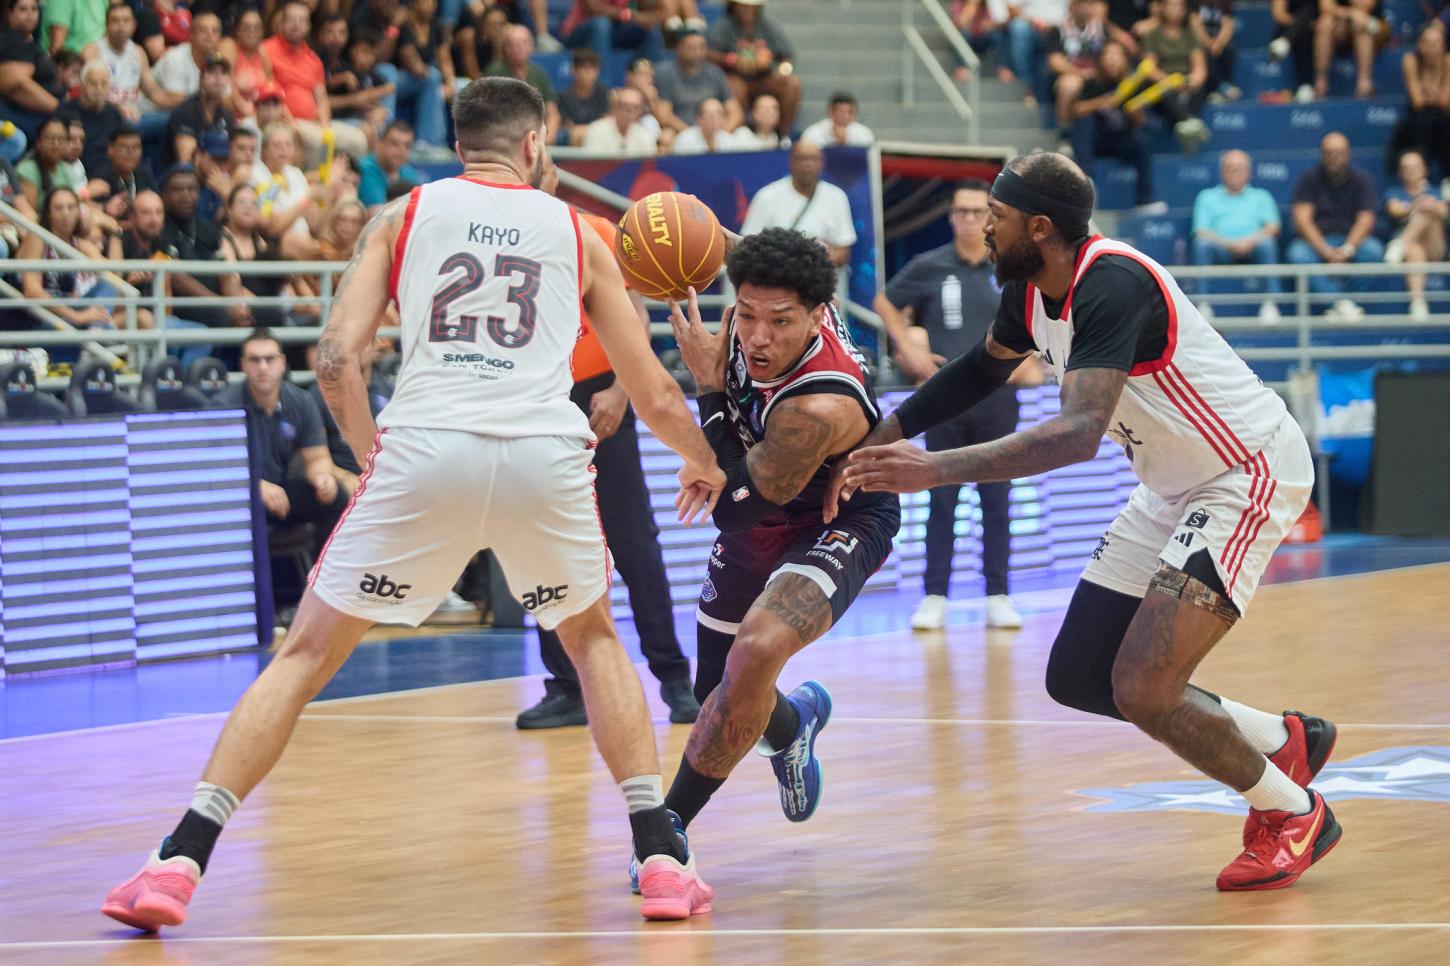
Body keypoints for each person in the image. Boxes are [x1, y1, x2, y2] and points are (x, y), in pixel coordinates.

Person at [102, 76, 723, 932]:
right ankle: (661, 860)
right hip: (543, 451)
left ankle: (178, 859)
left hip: (427, 443)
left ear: (458, 144)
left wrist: (370, 450)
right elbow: (650, 393)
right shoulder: (582, 232)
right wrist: (706, 461)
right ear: (535, 146)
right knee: (590, 638)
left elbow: (331, 359)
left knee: (305, 656)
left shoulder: (400, 217)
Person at [837, 152, 1343, 894]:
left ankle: (1293, 811)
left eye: (997, 217)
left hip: (1244, 473)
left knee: (1144, 686)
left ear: (1039, 228)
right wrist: (887, 431)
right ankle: (1281, 738)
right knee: (1079, 675)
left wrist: (934, 468)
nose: (983, 226)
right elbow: (979, 371)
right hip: (1172, 484)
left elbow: (1075, 435)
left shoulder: (1111, 283)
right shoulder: (1027, 289)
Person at [655, 229, 900, 875]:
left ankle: (665, 832)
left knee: (757, 651)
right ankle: (793, 727)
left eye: (780, 322)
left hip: (833, 518)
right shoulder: (761, 305)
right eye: (749, 315)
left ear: (818, 316)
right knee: (718, 692)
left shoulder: (819, 402)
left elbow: (736, 507)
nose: (757, 336)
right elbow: (739, 245)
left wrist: (708, 391)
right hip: (758, 504)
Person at [518, 162, 702, 730]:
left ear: (549, 177)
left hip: (601, 398)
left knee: (634, 545)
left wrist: (623, 389)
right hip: (533, 402)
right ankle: (566, 687)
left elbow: (636, 312)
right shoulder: (503, 242)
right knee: (542, 549)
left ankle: (674, 680)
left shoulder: (593, 230)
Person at [874, 180, 1026, 631]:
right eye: (961, 211)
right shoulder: (932, 265)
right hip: (945, 401)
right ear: (951, 217)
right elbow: (884, 301)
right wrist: (910, 350)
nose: (970, 220)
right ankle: (934, 595)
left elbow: (1045, 310)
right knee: (941, 500)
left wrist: (1035, 356)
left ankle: (998, 594)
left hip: (999, 399)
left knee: (996, 500)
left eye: (979, 211)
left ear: (991, 217)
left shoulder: (1010, 266)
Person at [740, 139, 856, 306]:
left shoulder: (836, 197)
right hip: (775, 293)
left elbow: (844, 250)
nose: (807, 164)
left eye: (813, 159)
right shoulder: (767, 197)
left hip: (819, 294)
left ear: (822, 163)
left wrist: (807, 264)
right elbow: (748, 246)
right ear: (791, 162)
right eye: (802, 158)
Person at [1286, 131, 1384, 322]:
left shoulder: (1361, 180)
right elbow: (1302, 219)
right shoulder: (1309, 179)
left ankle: (1344, 303)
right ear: (1322, 154)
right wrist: (1325, 251)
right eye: (1328, 152)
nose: (1333, 157)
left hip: (1351, 239)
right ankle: (1341, 304)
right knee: (1297, 254)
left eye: (1338, 152)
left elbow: (1366, 219)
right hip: (1318, 241)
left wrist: (1347, 249)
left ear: (1347, 154)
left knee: (1374, 251)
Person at [261, 1, 368, 163]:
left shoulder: (313, 59)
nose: (296, 25)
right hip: (284, 121)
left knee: (359, 141)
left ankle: (345, 182)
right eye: (291, 20)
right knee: (317, 142)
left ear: (309, 25)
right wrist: (290, 121)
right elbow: (270, 91)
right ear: (281, 23)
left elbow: (322, 98)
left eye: (301, 20)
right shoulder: (267, 50)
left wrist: (325, 125)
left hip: (314, 123)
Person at [117, 188, 214, 365]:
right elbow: (109, 302)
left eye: (158, 212)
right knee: (149, 323)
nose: (153, 219)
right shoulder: (121, 243)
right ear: (132, 217)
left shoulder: (162, 245)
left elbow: (167, 292)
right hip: (126, 316)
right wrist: (129, 283)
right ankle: (157, 383)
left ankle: (181, 386)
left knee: (203, 335)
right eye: (146, 213)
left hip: (160, 318)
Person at [1191, 149, 1282, 323]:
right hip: (1220, 246)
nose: (1235, 172)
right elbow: (1200, 230)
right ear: (1222, 172)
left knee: (1268, 243)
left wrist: (1248, 242)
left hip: (1253, 245)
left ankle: (1271, 303)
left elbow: (1273, 227)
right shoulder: (1207, 197)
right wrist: (1227, 243)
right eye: (1230, 168)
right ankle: (1202, 304)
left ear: (1248, 172)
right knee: (1202, 244)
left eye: (1239, 168)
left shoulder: (1261, 196)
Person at [707, 0, 801, 132]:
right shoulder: (722, 26)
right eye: (744, 6)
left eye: (752, 6)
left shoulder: (768, 26)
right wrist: (732, 60)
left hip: (763, 77)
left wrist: (779, 68)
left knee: (792, 84)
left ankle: (782, 133)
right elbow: (709, 54)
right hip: (735, 76)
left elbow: (787, 57)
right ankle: (740, 132)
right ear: (734, 6)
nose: (748, 10)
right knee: (734, 87)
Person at [1383, 151, 1446, 323]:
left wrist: (1426, 205)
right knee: (1414, 249)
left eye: (1416, 167)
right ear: (1401, 172)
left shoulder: (1435, 191)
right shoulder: (1394, 192)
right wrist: (1416, 205)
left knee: (1429, 211)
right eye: (1406, 168)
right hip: (1413, 251)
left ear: (1424, 169)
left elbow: (1443, 211)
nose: (1411, 171)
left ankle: (1399, 243)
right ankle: (1418, 302)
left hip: (1434, 246)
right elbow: (1394, 210)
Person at [1140, 0, 1210, 151]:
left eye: (1179, 6)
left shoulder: (1190, 34)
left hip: (1186, 77)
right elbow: (1149, 68)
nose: (1174, 10)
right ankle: (1188, 121)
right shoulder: (1153, 34)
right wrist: (1170, 81)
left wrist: (1193, 81)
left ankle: (1186, 124)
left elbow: (1200, 67)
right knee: (1165, 91)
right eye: (1171, 5)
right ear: (1162, 8)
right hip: (1163, 79)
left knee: (1199, 88)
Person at [1386, 22, 1449, 178]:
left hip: (1444, 118)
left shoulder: (1449, 62)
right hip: (1417, 118)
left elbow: (1445, 101)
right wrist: (1434, 96)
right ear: (1419, 44)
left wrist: (1429, 95)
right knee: (1423, 121)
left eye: (1437, 43)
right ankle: (1419, 175)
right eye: (1428, 43)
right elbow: (1417, 101)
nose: (1432, 48)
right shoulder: (1410, 60)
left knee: (1442, 122)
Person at [655, 28, 741, 140]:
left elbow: (735, 112)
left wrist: (723, 134)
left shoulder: (715, 73)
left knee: (743, 135)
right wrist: (692, 135)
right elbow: (664, 115)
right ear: (679, 48)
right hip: (681, 132)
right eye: (691, 47)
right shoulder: (666, 74)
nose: (697, 51)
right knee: (666, 137)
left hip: (715, 133)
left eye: (702, 47)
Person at [0, 0, 66, 140]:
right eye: (23, 9)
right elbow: (16, 86)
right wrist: (59, 109)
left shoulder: (30, 42)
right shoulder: (11, 42)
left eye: (34, 9)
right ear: (10, 13)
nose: (30, 14)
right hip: (23, 118)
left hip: (42, 115)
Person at [485, 25, 561, 140]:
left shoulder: (539, 74)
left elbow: (552, 111)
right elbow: (491, 114)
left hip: (536, 135)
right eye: (512, 44)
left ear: (531, 46)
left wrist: (548, 136)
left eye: (523, 43)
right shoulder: (495, 72)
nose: (518, 48)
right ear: (505, 48)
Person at [164, 53, 234, 168]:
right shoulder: (185, 111)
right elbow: (186, 162)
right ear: (201, 79)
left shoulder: (226, 115)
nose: (218, 78)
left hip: (216, 175)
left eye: (223, 73)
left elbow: (233, 155)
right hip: (181, 179)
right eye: (211, 72)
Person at [57, 59, 126, 176]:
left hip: (109, 173)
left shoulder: (114, 114)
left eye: (104, 83)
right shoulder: (64, 112)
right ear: (82, 84)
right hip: (74, 172)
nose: (99, 89)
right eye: (93, 83)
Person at [83, 2, 148, 124]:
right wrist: (118, 107)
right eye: (115, 20)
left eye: (126, 20)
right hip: (106, 114)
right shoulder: (93, 51)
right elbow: (90, 94)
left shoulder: (138, 51)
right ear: (106, 25)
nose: (121, 25)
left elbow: (153, 91)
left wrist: (178, 102)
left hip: (136, 113)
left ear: (134, 25)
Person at [561, 0, 667, 68]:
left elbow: (657, 12)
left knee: (651, 29)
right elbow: (595, 9)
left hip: (615, 31)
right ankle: (603, 87)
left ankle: (656, 85)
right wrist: (628, 15)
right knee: (602, 24)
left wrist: (641, 18)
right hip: (578, 33)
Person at [1313, 0, 1384, 100]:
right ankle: (1320, 83)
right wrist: (1349, 13)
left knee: (1360, 23)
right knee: (1325, 22)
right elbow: (1325, 7)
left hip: (1371, 24)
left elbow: (1367, 5)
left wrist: (1352, 14)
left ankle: (1364, 84)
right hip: (1341, 21)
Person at [15, 115, 81, 209]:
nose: (55, 144)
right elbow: (29, 215)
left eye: (61, 139)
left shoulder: (68, 170)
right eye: (50, 138)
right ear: (39, 143)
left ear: (67, 143)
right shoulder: (26, 170)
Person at [357, 119, 422, 212]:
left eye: (407, 146)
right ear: (379, 144)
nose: (401, 150)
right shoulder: (364, 169)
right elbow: (376, 214)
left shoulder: (408, 172)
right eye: (394, 143)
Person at [217, 7, 272, 119]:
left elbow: (271, 85)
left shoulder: (262, 50)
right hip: (233, 115)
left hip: (261, 114)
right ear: (237, 30)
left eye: (257, 28)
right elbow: (225, 85)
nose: (252, 32)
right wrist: (246, 110)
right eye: (247, 28)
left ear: (262, 32)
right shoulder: (229, 46)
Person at [581, 86, 658, 154]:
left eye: (635, 108)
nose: (630, 111)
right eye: (626, 106)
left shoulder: (646, 136)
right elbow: (592, 165)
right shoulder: (596, 131)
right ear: (615, 107)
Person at [558, 48, 609, 146]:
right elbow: (569, 125)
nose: (589, 73)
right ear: (574, 70)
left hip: (599, 137)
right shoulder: (563, 96)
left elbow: (605, 122)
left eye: (593, 68)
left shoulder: (603, 92)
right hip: (574, 138)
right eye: (584, 68)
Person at [799, 91, 874, 148]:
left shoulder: (865, 133)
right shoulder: (813, 132)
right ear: (830, 112)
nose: (845, 116)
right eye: (840, 112)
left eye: (849, 112)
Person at [670, 97, 744, 154]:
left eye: (719, 114)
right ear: (700, 119)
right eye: (711, 116)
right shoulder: (685, 139)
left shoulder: (728, 140)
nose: (715, 119)